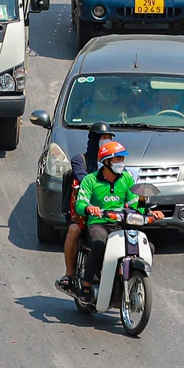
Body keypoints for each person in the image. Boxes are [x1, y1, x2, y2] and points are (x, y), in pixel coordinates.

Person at [72, 140, 159, 293]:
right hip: (99, 223)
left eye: (122, 159)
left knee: (148, 247)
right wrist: (89, 208)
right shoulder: (90, 180)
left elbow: (134, 205)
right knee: (99, 245)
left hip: (121, 223)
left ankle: (131, 278)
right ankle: (86, 285)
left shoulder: (126, 178)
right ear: (106, 161)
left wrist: (149, 213)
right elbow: (80, 204)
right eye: (118, 159)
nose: (121, 163)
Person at [57, 123, 115, 293]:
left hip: (108, 212)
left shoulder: (114, 162)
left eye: (109, 138)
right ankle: (69, 274)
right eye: (103, 138)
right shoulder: (79, 160)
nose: (106, 141)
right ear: (94, 140)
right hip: (83, 212)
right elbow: (83, 180)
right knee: (74, 230)